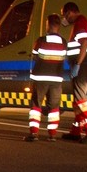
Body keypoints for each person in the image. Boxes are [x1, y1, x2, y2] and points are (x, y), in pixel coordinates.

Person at [61, 2, 87, 143]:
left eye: (64, 15)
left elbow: (84, 43)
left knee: (81, 99)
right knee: (77, 100)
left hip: (82, 65)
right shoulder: (80, 22)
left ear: (69, 12)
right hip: (81, 65)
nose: (64, 19)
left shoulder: (80, 22)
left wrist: (77, 64)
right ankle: (76, 131)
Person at [25, 14, 66, 142]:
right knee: (54, 107)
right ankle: (52, 135)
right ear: (58, 26)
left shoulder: (41, 40)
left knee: (36, 105)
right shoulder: (64, 42)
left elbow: (35, 56)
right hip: (56, 80)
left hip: (40, 78)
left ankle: (34, 134)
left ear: (48, 24)